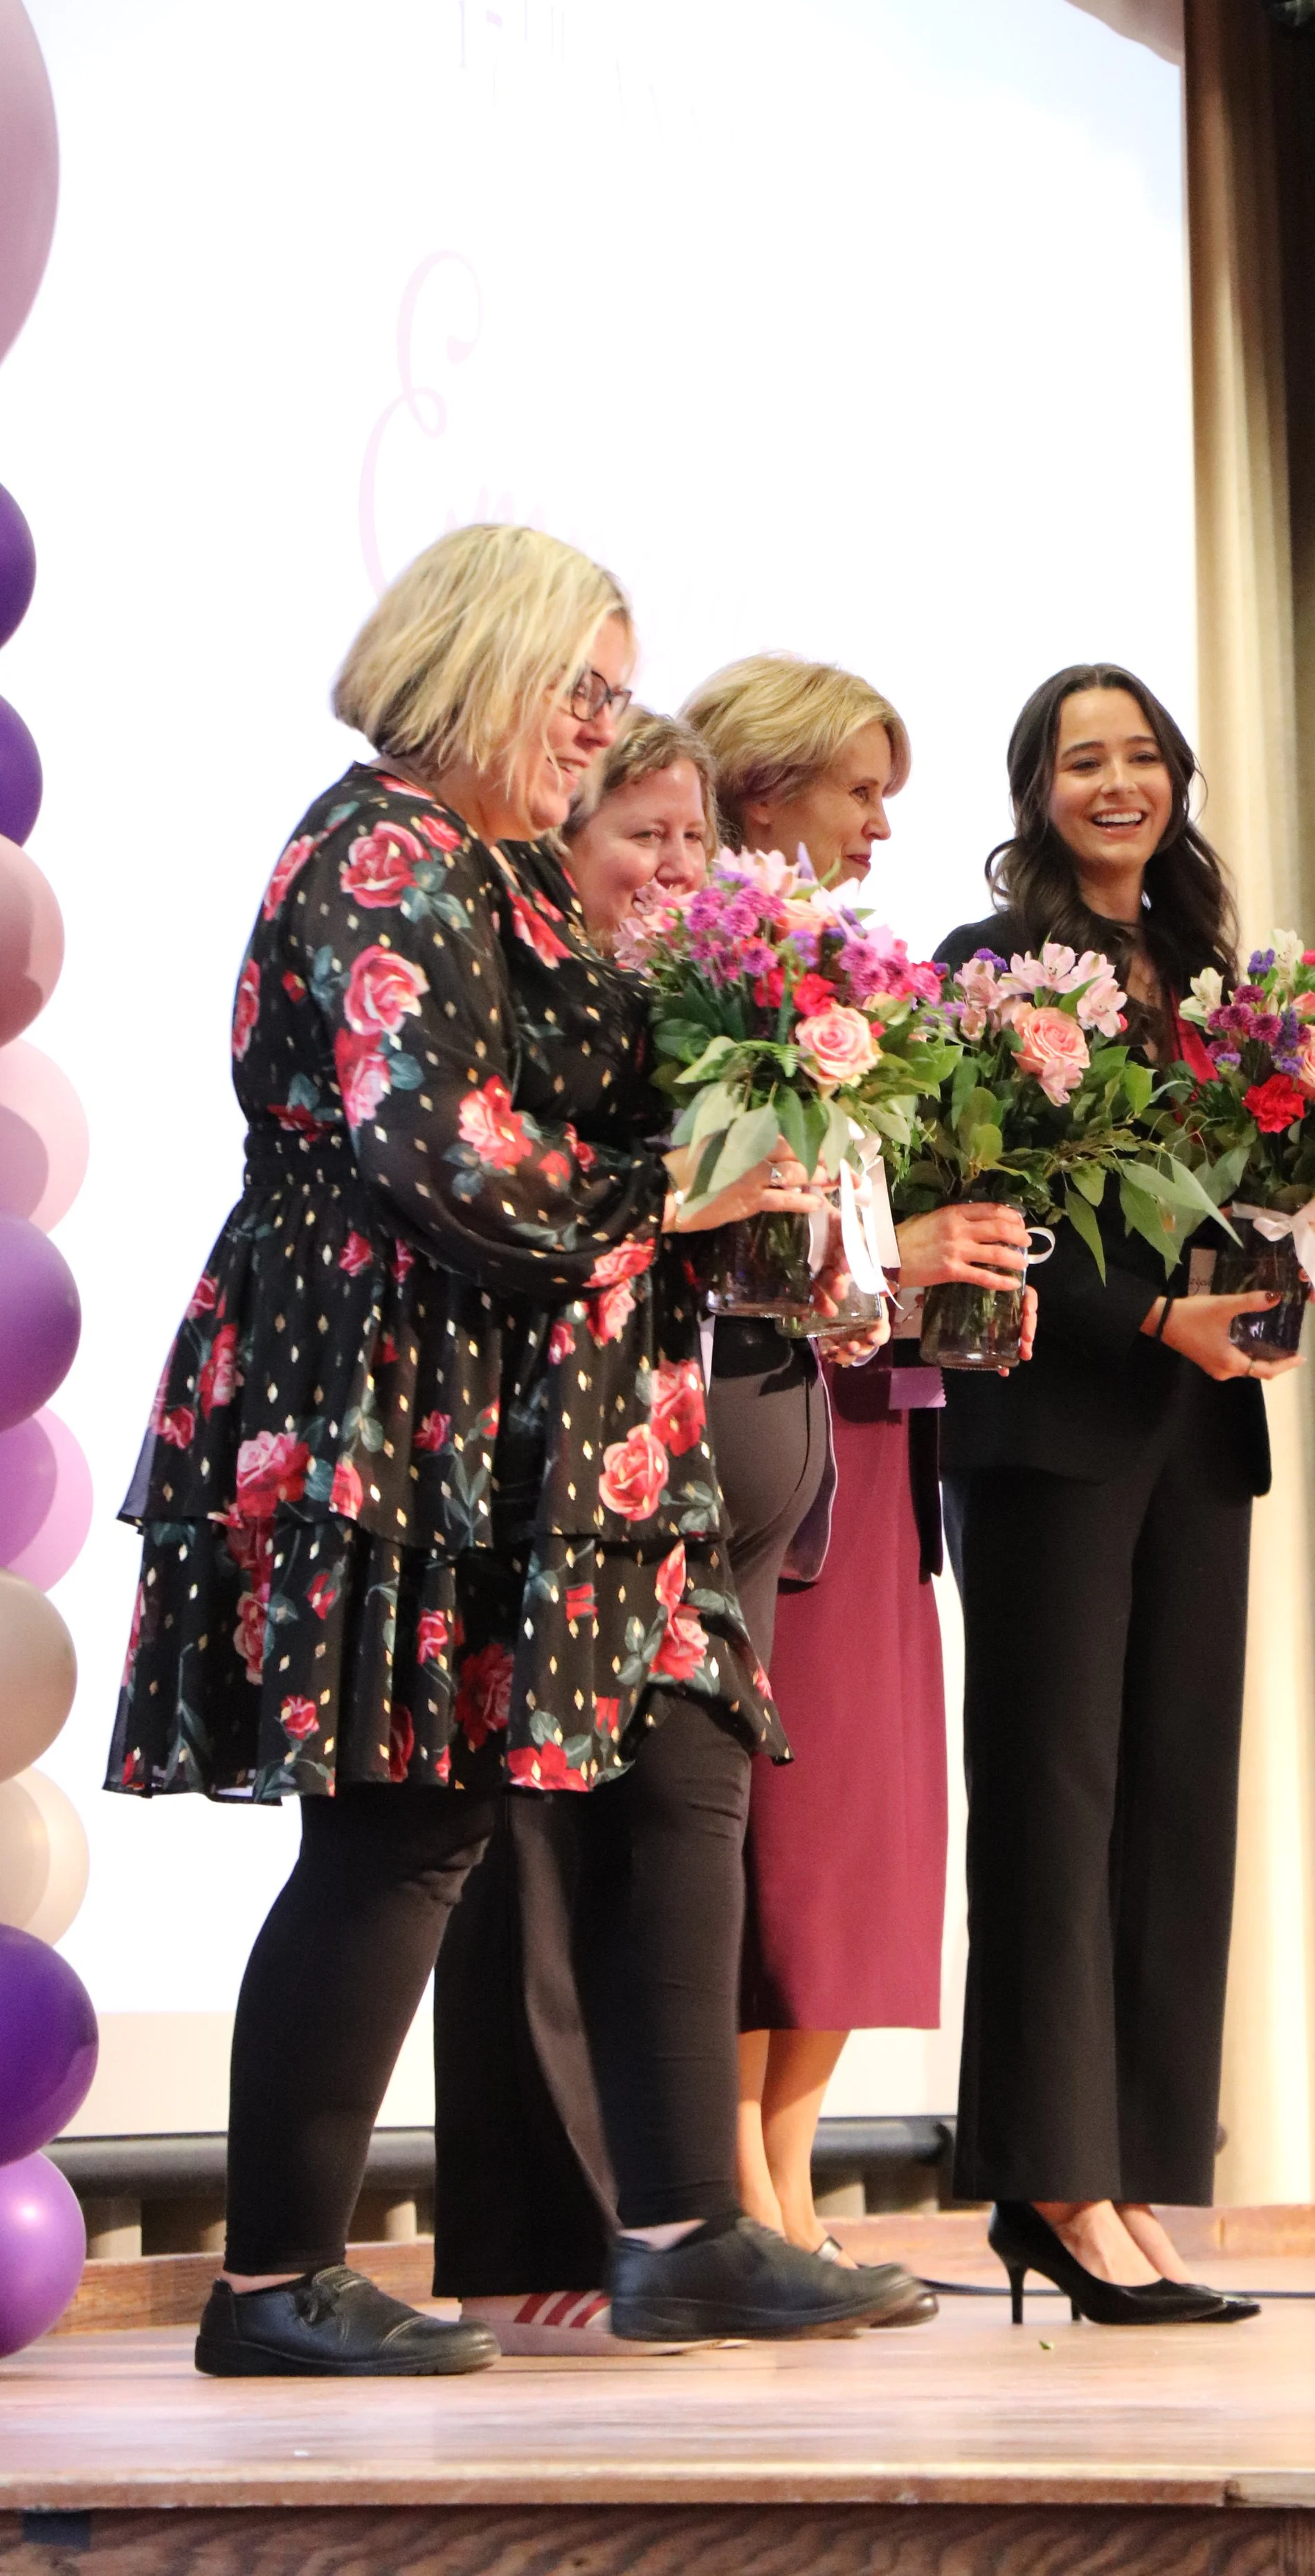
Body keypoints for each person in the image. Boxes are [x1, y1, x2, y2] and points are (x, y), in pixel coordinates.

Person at [106, 525, 840, 2376]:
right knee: (401, 1816)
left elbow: (609, 1105)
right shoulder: (378, 854)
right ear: (475, 668)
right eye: (577, 692)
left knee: (675, 1742)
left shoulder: (508, 870)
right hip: (389, 1390)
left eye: (611, 697)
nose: (599, 733)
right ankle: (271, 2272)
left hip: (539, 1409)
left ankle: (685, 2227)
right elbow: (443, 1156)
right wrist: (684, 1190)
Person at [431, 705, 935, 2349]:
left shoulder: (711, 997)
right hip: (567, 1467)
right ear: (558, 837)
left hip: (715, 1461)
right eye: (636, 833)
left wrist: (842, 1273)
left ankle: (681, 2230)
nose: (670, 866)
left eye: (689, 840)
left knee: (679, 1843)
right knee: (528, 1849)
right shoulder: (520, 986)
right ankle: (537, 2237)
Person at [932, 662, 1294, 2328]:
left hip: (1192, 1430)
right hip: (1050, 1428)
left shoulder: (1212, 967)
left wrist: (1269, 1280)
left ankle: (1135, 2176)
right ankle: (1051, 2183)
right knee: (1051, 1811)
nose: (1117, 782)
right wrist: (1147, 1311)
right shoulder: (983, 974)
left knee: (1170, 1818)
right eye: (1084, 759)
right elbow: (979, 1218)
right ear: (1035, 787)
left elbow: (1251, 1189)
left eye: (1140, 754)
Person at [682, 655, 1031, 2263]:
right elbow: (742, 1244)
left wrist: (955, 1273)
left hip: (884, 1434)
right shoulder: (708, 989)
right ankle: (730, 2183)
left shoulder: (875, 994)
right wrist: (897, 1267)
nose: (884, 825)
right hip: (768, 1421)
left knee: (862, 1830)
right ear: (765, 792)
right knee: (776, 1821)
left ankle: (794, 2172)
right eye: (858, 790)